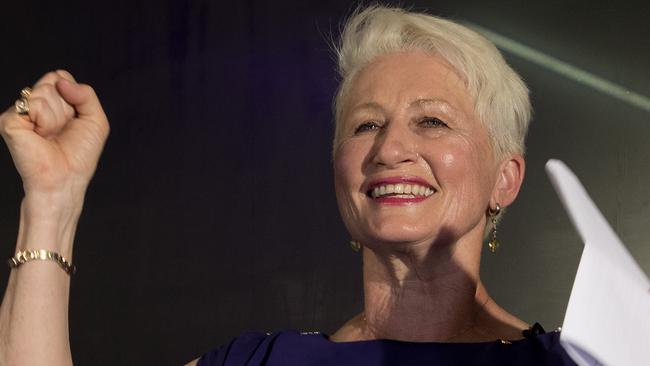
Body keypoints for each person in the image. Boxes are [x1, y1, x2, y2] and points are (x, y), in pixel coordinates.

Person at [0, 5, 576, 366]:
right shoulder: (261, 360)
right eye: (366, 125)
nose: (389, 149)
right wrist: (53, 199)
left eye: (432, 120)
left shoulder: (582, 362)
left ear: (506, 177)